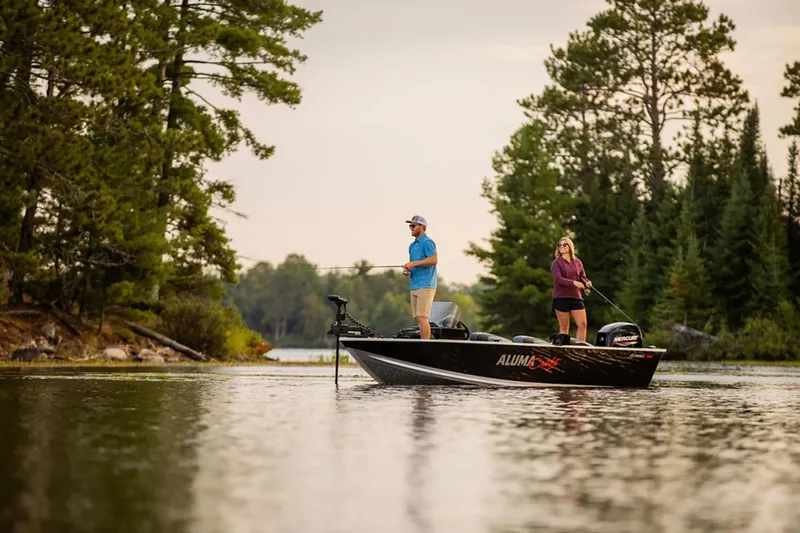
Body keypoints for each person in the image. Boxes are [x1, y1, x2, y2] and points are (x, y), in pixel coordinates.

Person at [402, 215, 438, 339]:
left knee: (422, 316)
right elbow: (414, 263)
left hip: (426, 284)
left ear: (422, 227)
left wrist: (414, 264)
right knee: (418, 317)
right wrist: (408, 269)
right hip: (414, 284)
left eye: (413, 225)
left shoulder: (428, 242)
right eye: (410, 226)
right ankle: (424, 342)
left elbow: (433, 260)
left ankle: (426, 345)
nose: (411, 228)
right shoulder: (412, 246)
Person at [550, 236, 592, 342]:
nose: (561, 247)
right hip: (561, 297)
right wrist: (574, 283)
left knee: (582, 324)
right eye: (559, 245)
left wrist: (587, 282)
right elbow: (558, 279)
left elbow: (582, 277)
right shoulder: (556, 263)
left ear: (570, 246)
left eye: (564, 244)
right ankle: (564, 352)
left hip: (576, 297)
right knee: (564, 326)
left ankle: (580, 350)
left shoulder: (578, 262)